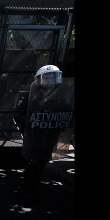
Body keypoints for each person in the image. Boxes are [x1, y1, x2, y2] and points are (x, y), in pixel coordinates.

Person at [14, 64, 70, 203]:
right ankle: (27, 189)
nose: (49, 80)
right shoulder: (32, 95)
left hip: (51, 135)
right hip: (35, 135)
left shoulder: (61, 95)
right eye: (46, 77)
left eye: (52, 77)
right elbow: (19, 114)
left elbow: (67, 113)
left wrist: (62, 121)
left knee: (42, 162)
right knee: (31, 162)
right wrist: (30, 123)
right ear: (40, 79)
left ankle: (34, 189)